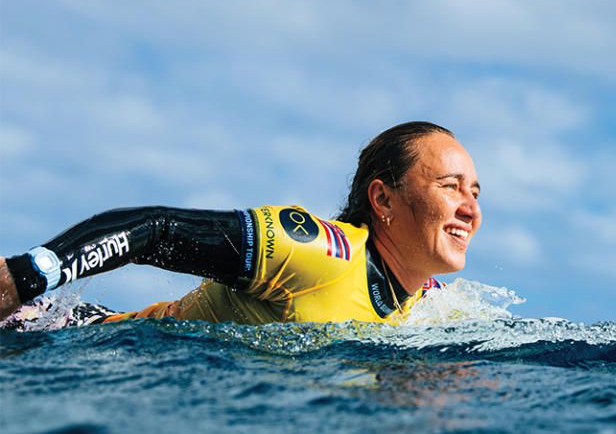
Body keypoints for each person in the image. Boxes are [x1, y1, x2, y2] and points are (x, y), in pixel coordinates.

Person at [0, 121, 482, 327]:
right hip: (75, 343)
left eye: (475, 193)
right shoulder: (314, 250)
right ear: (382, 199)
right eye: (450, 186)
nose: (470, 208)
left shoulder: (432, 306)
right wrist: (28, 275)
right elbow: (157, 230)